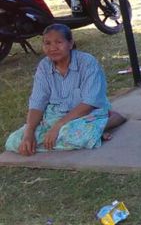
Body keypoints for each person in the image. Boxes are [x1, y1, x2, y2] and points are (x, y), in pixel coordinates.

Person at [5, 24, 125, 155]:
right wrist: (28, 134)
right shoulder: (44, 66)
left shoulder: (87, 63)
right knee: (15, 141)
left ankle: (109, 121)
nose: (53, 48)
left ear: (70, 43)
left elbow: (89, 103)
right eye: (47, 43)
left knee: (67, 133)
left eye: (58, 42)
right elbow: (37, 103)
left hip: (87, 113)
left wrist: (58, 126)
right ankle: (94, 133)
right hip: (54, 116)